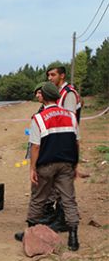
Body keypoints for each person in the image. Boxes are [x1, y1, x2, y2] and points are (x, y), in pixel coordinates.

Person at [15, 82, 80, 251]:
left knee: (38, 199)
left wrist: (32, 168)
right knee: (69, 199)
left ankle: (29, 233)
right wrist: (75, 165)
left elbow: (35, 146)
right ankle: (73, 237)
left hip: (46, 164)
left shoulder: (39, 117)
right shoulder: (71, 116)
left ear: (43, 96)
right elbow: (76, 142)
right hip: (66, 164)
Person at [44, 65, 83, 232]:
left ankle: (63, 220)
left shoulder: (68, 94)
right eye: (48, 75)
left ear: (62, 75)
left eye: (53, 75)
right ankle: (57, 216)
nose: (50, 78)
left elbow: (68, 121)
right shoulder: (60, 94)